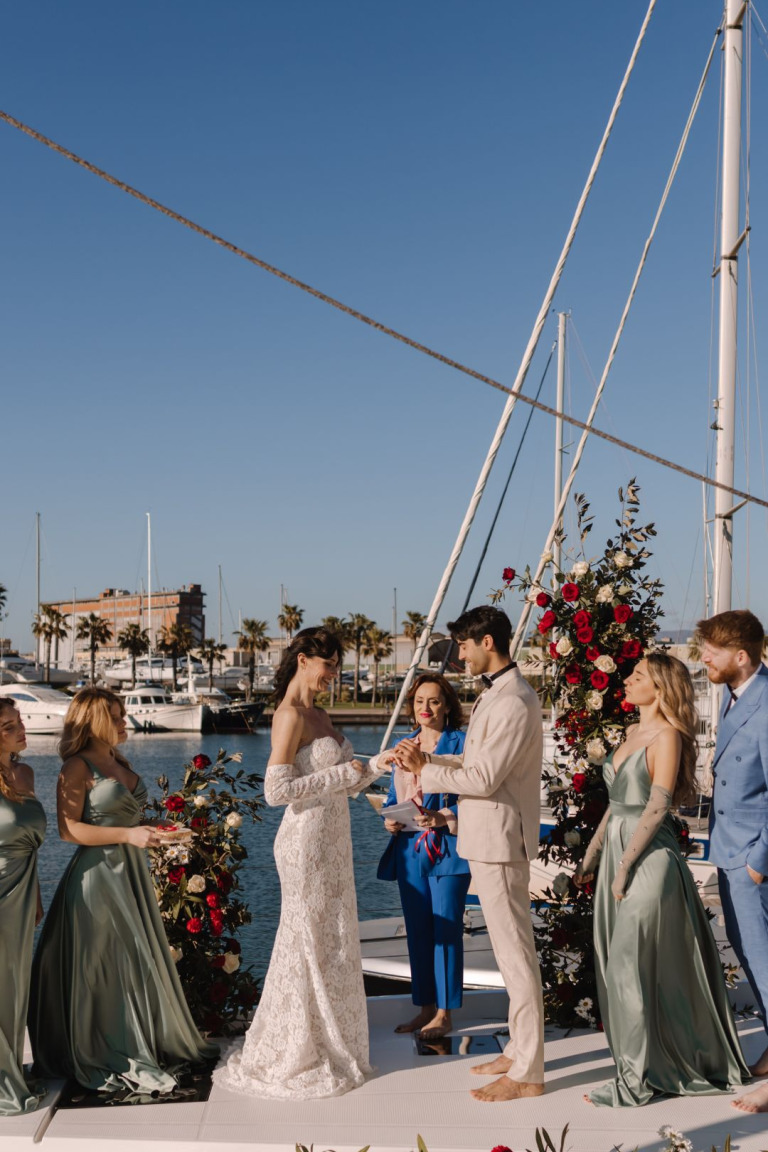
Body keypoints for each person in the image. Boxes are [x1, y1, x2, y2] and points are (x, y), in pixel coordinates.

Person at [213, 627, 382, 1100]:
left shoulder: (322, 715)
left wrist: (380, 764)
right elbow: (274, 793)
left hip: (335, 839)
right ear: (305, 660)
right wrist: (337, 774)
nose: (334, 675)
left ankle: (331, 1039)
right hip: (304, 843)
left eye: (336, 666)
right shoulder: (289, 716)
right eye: (329, 665)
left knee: (334, 935)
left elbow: (348, 784)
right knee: (305, 935)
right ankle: (295, 1046)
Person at [574, 652, 748, 1107]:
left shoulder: (668, 735)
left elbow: (657, 805)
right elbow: (616, 804)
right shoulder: (632, 732)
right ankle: (645, 1066)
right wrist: (591, 860)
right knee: (618, 962)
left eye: (637, 676)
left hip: (649, 860)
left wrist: (626, 865)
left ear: (660, 688)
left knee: (628, 965)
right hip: (617, 852)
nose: (627, 682)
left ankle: (635, 1082)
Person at [29, 688, 217, 1099]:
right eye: (115, 715)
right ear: (94, 720)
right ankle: (99, 1046)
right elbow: (69, 830)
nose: (123, 720)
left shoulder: (118, 759)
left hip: (130, 873)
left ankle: (137, 1037)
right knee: (100, 965)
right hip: (97, 878)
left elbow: (127, 815)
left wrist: (158, 827)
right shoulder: (76, 767)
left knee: (132, 959)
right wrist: (129, 834)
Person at [391, 605, 545, 1103]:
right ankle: (519, 1051)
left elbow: (482, 779)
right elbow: (474, 762)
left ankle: (528, 1072)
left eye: (463, 644)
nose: (459, 653)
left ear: (487, 642)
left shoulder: (512, 701)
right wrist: (429, 759)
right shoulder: (495, 696)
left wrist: (426, 769)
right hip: (486, 839)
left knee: (517, 956)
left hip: (501, 841)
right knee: (506, 952)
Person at [699, 609, 768, 1114]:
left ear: (740, 656)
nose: (702, 658)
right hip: (728, 852)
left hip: (751, 859)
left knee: (766, 965)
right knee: (749, 958)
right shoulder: (732, 696)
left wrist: (757, 863)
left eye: (712, 651)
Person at [377, 673, 470, 1040]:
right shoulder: (403, 746)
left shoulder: (463, 743)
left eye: (433, 701)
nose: (425, 708)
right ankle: (425, 1009)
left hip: (449, 849)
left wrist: (443, 818)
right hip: (409, 850)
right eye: (418, 702)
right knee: (418, 933)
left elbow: (478, 796)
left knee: (446, 930)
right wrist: (390, 820)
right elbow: (392, 797)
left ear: (447, 705)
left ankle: (446, 1014)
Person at [0, 700, 46, 1115]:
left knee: (14, 985)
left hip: (21, 894)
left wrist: (35, 894)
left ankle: (11, 1065)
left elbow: (28, 842)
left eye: (19, 722)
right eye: (8, 725)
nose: (20, 730)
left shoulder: (26, 774)